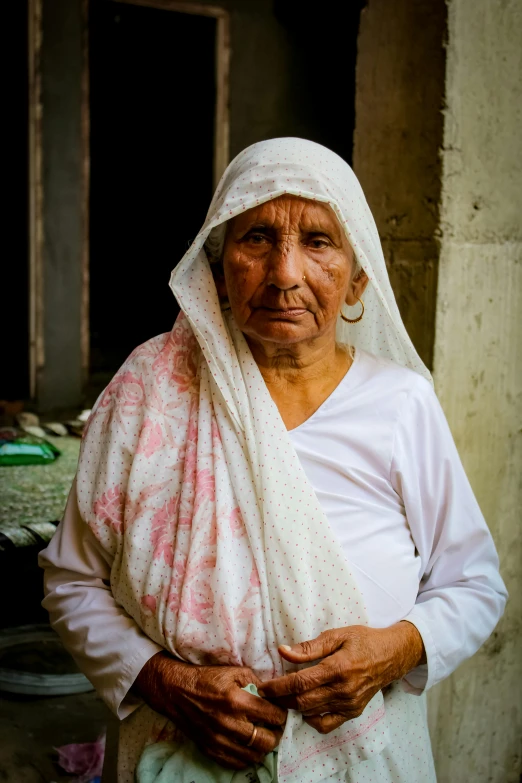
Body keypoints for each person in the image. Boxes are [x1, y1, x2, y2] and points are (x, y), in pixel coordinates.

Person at [40, 138, 507, 783]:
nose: (285, 272)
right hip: (172, 750)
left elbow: (474, 584)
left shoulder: (400, 403)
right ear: (219, 264)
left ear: (357, 276)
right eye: (257, 237)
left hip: (360, 764)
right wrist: (163, 681)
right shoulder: (152, 387)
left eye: (318, 241)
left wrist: (394, 651)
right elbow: (71, 580)